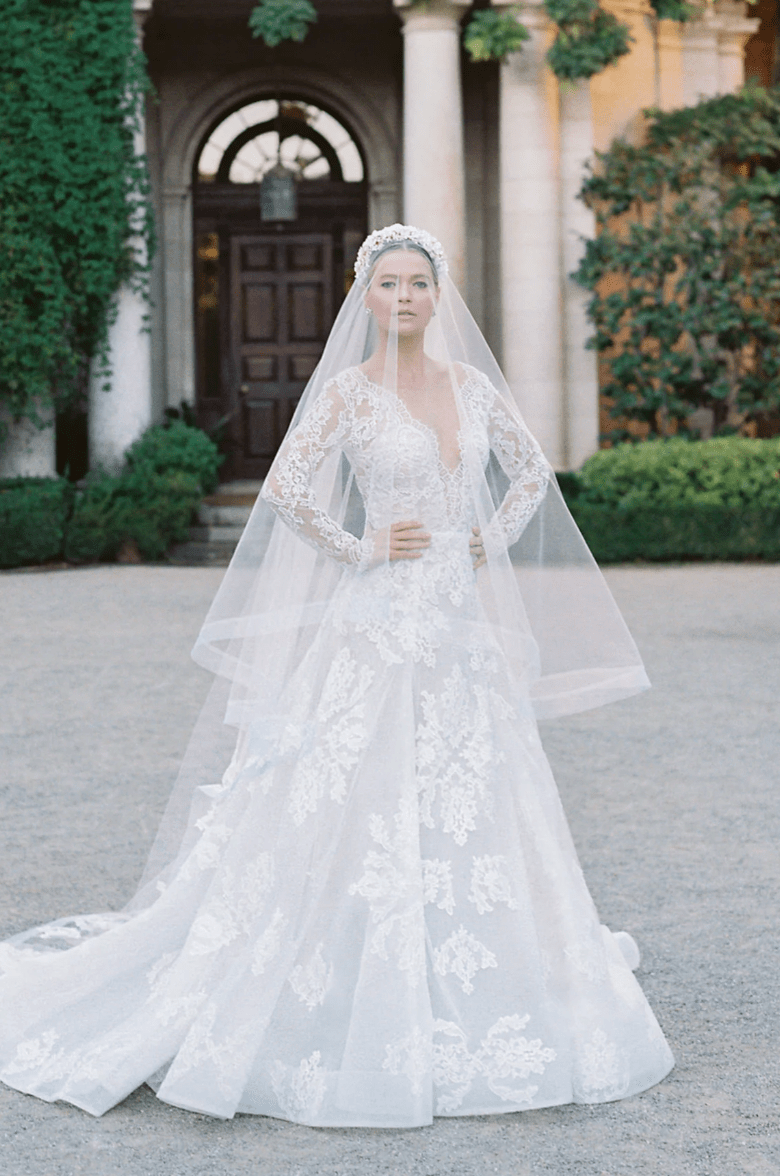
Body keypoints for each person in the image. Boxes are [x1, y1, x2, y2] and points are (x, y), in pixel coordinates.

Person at [0, 225, 673, 1126]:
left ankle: (482, 971)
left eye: (418, 283)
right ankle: (342, 969)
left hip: (458, 634)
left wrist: (488, 537)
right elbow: (284, 489)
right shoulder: (351, 394)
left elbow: (528, 477)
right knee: (349, 795)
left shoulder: (472, 388)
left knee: (476, 796)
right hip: (376, 628)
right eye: (389, 283)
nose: (405, 298)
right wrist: (361, 546)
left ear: (438, 295)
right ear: (366, 295)